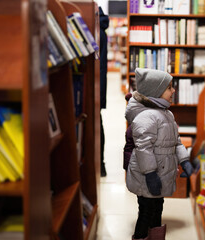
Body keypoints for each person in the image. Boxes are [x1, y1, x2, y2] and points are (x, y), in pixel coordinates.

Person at [125, 68, 194, 240]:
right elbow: (143, 147)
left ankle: (156, 236)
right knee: (146, 212)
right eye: (169, 87)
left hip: (161, 174)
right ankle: (141, 236)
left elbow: (176, 141)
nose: (173, 90)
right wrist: (150, 174)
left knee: (157, 209)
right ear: (156, 91)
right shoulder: (146, 117)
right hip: (147, 177)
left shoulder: (167, 114)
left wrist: (184, 160)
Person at [99, 7, 109, 177]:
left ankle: (100, 163)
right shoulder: (101, 31)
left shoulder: (97, 32)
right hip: (98, 87)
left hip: (95, 87)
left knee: (96, 125)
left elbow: (99, 68)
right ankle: (100, 164)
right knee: (97, 124)